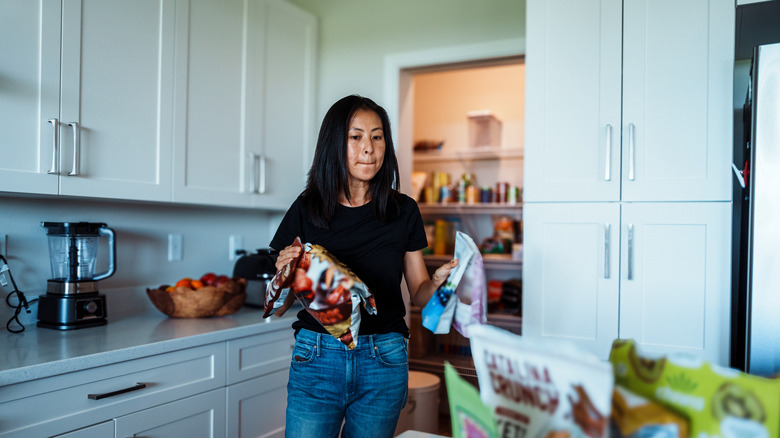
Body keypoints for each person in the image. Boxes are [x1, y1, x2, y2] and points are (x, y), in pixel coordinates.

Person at [269, 94, 458, 438]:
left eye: (377, 136)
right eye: (355, 137)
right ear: (334, 145)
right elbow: (280, 307)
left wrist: (440, 283)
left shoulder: (403, 211)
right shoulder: (307, 208)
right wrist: (284, 275)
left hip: (383, 359)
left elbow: (419, 294)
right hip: (317, 356)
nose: (368, 148)